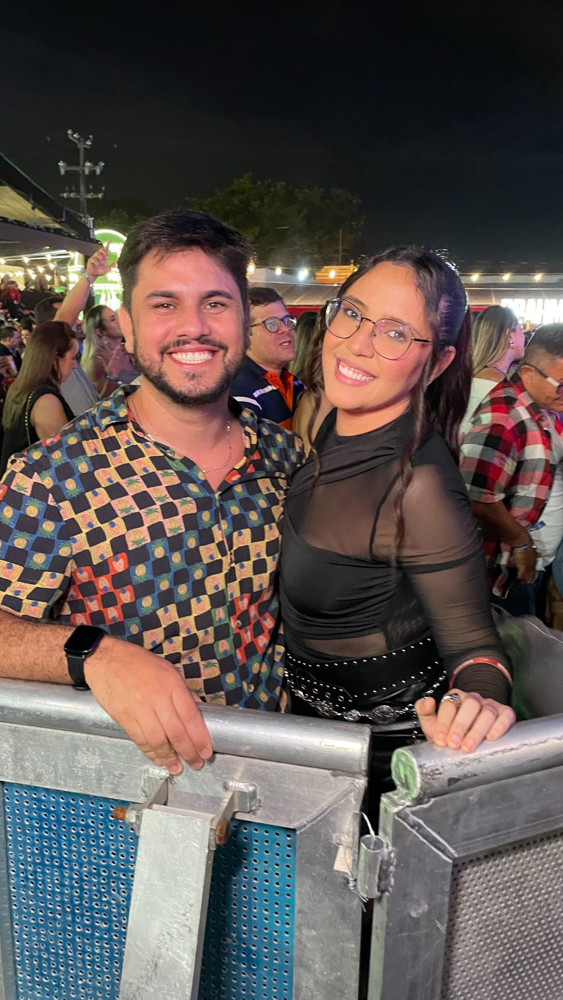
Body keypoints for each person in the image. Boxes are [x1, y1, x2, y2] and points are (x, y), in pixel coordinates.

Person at [0, 210, 303, 776]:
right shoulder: (53, 476)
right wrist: (94, 655)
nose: (194, 327)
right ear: (129, 327)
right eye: (165, 304)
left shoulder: (288, 458)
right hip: (123, 793)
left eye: (216, 303)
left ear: (243, 320)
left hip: (273, 777)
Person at [279, 247, 515, 804]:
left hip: (383, 760)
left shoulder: (418, 485)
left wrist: (477, 703)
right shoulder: (331, 418)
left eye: (395, 333)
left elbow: (476, 646)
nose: (357, 343)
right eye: (352, 313)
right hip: (308, 732)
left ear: (438, 362)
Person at [460, 325, 563, 616]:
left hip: (526, 562)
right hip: (501, 570)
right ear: (528, 373)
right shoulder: (503, 418)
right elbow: (477, 499)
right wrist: (521, 543)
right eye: (561, 384)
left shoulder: (541, 404)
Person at [0, 322, 76, 475]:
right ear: (54, 358)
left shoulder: (20, 388)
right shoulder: (46, 402)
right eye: (73, 357)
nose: (75, 365)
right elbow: (65, 463)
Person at [231, 287, 304, 428]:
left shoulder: (294, 382)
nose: (286, 329)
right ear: (245, 336)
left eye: (286, 320)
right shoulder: (240, 392)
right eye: (272, 324)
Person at [459, 306, 525, 436]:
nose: (524, 336)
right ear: (510, 335)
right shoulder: (495, 383)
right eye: (520, 330)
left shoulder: (475, 375)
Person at [81, 304, 138, 396]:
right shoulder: (98, 360)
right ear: (100, 331)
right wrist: (112, 375)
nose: (120, 321)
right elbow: (100, 399)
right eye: (113, 319)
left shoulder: (127, 351)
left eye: (117, 316)